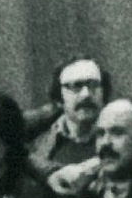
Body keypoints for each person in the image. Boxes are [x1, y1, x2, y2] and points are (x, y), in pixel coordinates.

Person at [36, 58, 111, 189]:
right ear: (59, 96)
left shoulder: (118, 140)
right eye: (76, 86)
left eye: (93, 85)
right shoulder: (36, 143)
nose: (86, 94)